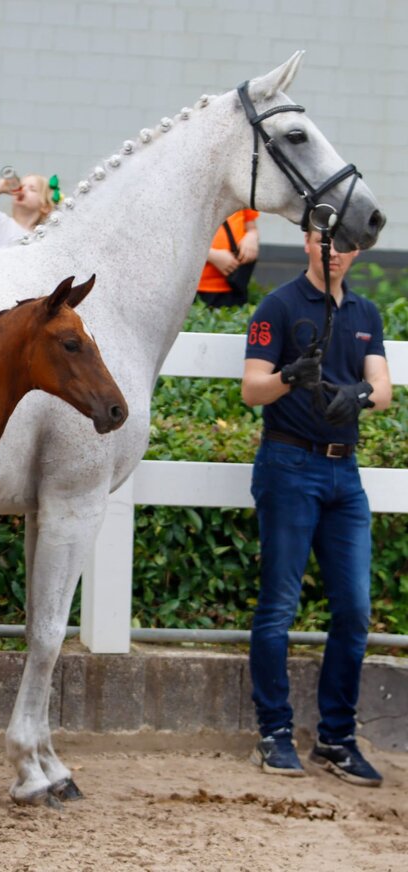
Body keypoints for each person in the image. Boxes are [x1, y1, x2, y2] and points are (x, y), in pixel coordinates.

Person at [241, 228, 392, 786]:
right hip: (289, 467)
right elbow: (251, 390)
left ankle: (336, 738)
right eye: (326, 240)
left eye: (346, 244)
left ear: (357, 253)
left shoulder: (365, 311)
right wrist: (288, 376)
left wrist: (355, 396)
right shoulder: (277, 307)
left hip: (343, 474)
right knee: (279, 604)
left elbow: (382, 387)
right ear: (309, 242)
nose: (335, 251)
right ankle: (274, 733)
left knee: (353, 610)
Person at [0, 173, 58, 259]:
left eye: (32, 189)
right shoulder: (0, 221)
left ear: (45, 207)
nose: (23, 189)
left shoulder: (37, 239)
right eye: (21, 186)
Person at [197, 209, 259, 307]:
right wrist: (211, 255)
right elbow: (177, 239)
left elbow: (251, 228)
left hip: (234, 285)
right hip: (196, 288)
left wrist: (252, 237)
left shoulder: (241, 196)